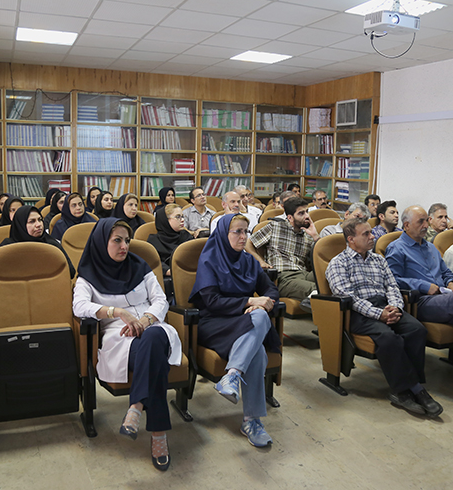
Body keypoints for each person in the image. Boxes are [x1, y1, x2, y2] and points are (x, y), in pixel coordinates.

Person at [72, 218, 182, 471]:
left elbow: (161, 300)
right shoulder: (87, 274)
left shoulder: (140, 266)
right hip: (119, 336)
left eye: (127, 240)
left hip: (154, 327)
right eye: (117, 240)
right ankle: (158, 435)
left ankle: (136, 407)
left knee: (154, 338)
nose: (124, 246)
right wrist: (116, 312)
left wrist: (145, 320)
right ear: (102, 243)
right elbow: (79, 306)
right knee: (155, 362)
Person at [326, 219, 443, 418]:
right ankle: (411, 389)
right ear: (351, 239)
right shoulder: (338, 263)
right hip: (358, 312)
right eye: (366, 234)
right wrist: (378, 313)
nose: (372, 237)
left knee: (417, 330)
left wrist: (395, 307)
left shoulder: (378, 260)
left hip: (386, 305)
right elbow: (348, 297)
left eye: (371, 232)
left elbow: (392, 286)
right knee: (389, 337)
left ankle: (408, 387)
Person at [189, 214, 281, 446]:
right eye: (237, 232)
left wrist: (266, 300)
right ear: (222, 234)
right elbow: (211, 302)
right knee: (257, 341)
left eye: (246, 232)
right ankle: (251, 420)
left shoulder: (249, 261)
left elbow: (271, 289)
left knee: (259, 322)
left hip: (244, 321)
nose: (243, 237)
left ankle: (232, 376)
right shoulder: (209, 259)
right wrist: (250, 302)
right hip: (214, 322)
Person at [385, 206, 453, 375]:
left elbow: (445, 271)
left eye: (426, 220)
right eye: (420, 221)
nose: (426, 225)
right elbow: (391, 279)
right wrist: (423, 285)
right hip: (420, 302)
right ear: (406, 225)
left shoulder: (431, 247)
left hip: (443, 298)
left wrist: (450, 281)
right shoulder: (396, 248)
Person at [247, 196, 319, 309]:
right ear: (290, 217)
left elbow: (319, 259)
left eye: (307, 212)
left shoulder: (308, 234)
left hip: (303, 273)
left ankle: (312, 301)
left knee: (329, 280)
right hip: (283, 276)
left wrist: (315, 237)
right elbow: (248, 243)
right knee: (317, 288)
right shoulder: (275, 226)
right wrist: (260, 261)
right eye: (301, 213)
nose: (307, 216)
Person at [0, 205, 76, 279]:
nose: (38, 225)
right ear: (20, 225)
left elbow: (70, 272)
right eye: (32, 221)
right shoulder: (7, 248)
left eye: (40, 220)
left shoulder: (52, 245)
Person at [146, 204, 193, 276]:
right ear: (165, 220)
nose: (183, 220)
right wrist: (167, 270)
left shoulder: (186, 236)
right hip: (165, 278)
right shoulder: (153, 241)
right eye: (178, 217)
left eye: (182, 216)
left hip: (188, 274)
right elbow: (152, 262)